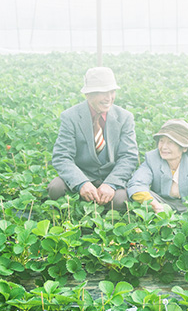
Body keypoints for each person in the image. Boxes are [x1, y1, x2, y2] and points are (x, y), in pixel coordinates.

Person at [47, 67, 139, 211]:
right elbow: (62, 156)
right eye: (103, 92)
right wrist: (81, 183)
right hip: (82, 174)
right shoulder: (70, 117)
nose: (109, 98)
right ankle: (70, 225)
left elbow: (129, 157)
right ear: (88, 95)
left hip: (111, 177)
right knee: (56, 188)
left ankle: (105, 227)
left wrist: (111, 184)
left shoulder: (125, 117)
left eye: (112, 92)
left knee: (120, 200)